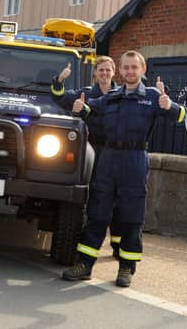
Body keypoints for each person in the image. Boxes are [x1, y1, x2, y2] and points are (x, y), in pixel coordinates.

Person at [61, 50, 185, 287]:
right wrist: (80, 107)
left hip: (135, 159)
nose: (129, 71)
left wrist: (169, 105)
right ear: (121, 70)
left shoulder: (152, 96)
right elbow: (91, 109)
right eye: (126, 67)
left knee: (131, 216)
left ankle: (126, 268)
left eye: (133, 67)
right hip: (108, 158)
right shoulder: (112, 96)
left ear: (142, 70)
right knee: (97, 213)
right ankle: (85, 264)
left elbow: (180, 116)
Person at [51, 56, 124, 258]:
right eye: (100, 70)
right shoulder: (85, 93)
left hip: (117, 152)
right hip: (93, 150)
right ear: (95, 73)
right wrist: (59, 81)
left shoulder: (123, 94)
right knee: (94, 197)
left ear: (114, 71)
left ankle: (118, 244)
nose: (104, 73)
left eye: (108, 70)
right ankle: (86, 241)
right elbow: (59, 97)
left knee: (118, 199)